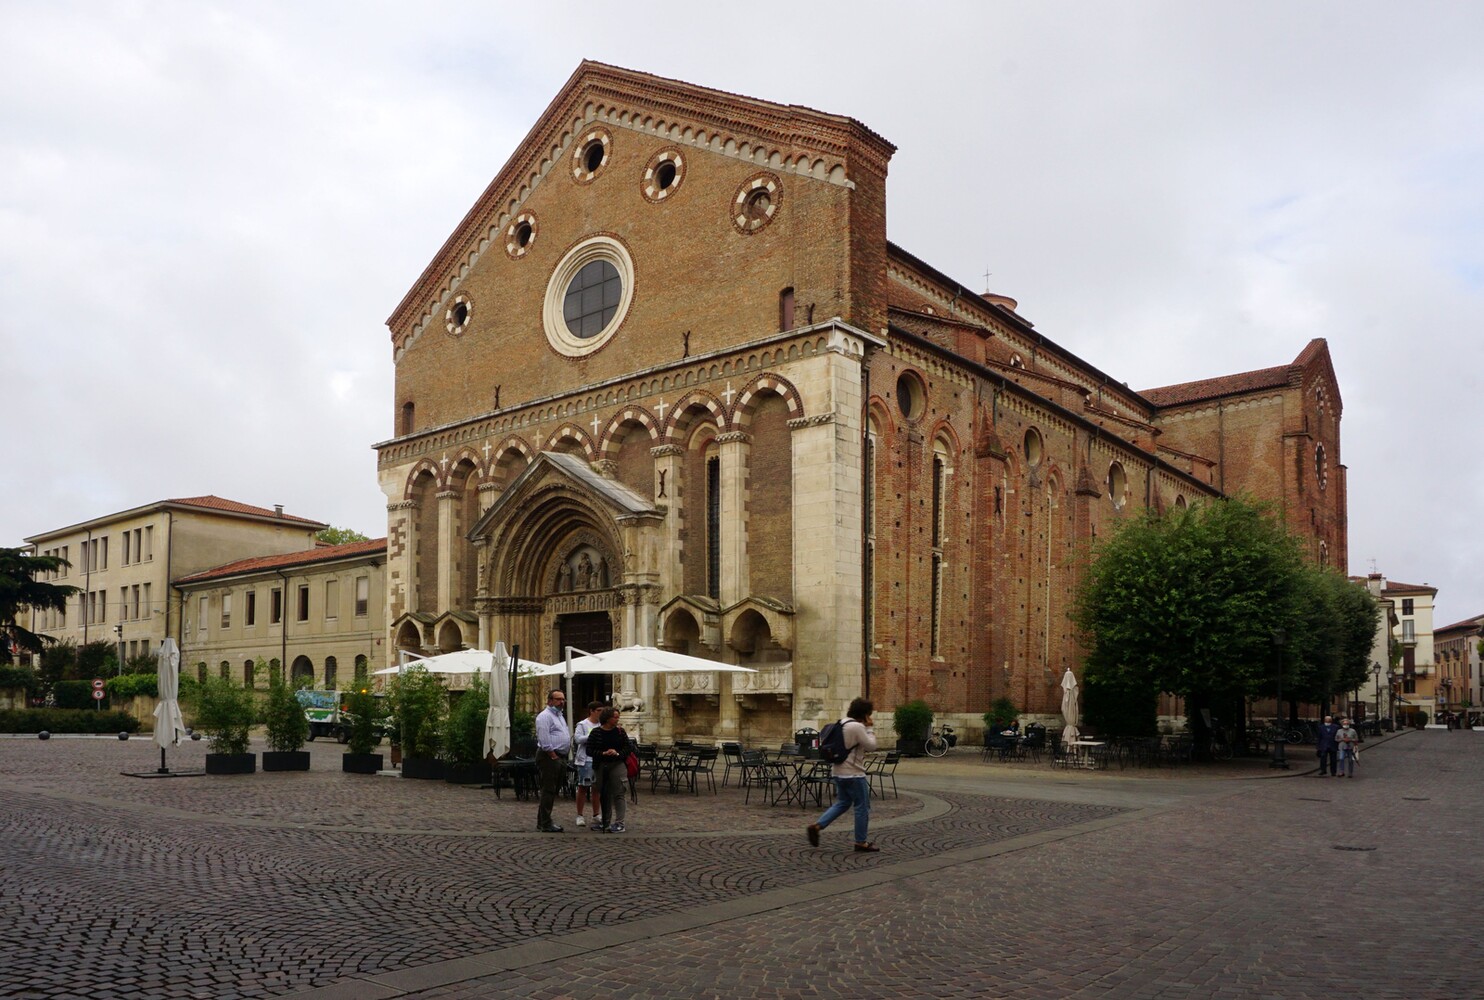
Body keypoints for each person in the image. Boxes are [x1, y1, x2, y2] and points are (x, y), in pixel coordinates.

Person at [807, 697, 879, 852]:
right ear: (865, 714)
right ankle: (861, 842)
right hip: (854, 774)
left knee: (843, 802)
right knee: (862, 807)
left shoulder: (842, 722)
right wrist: (870, 728)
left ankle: (818, 825)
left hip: (838, 771)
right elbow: (871, 746)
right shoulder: (857, 727)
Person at [586, 707, 630, 833]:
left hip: (617, 764)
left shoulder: (620, 732)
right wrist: (602, 753)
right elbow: (589, 750)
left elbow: (628, 748)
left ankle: (620, 823)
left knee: (619, 792)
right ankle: (606, 821)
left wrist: (617, 753)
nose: (617, 719)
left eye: (618, 717)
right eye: (615, 717)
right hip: (601, 765)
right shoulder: (596, 733)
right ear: (607, 718)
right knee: (604, 794)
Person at [534, 688, 571, 832]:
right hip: (549, 756)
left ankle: (542, 821)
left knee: (552, 790)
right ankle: (545, 823)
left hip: (558, 756)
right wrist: (552, 754)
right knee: (548, 790)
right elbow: (543, 738)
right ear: (550, 701)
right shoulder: (544, 716)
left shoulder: (559, 715)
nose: (562, 702)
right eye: (558, 699)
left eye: (563, 699)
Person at [573, 701, 604, 827]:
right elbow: (578, 739)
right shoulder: (582, 724)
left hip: (598, 758)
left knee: (596, 788)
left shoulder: (602, 724)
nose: (601, 713)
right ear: (592, 711)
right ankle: (579, 815)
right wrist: (592, 736)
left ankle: (596, 814)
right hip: (585, 759)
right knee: (583, 787)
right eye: (599, 711)